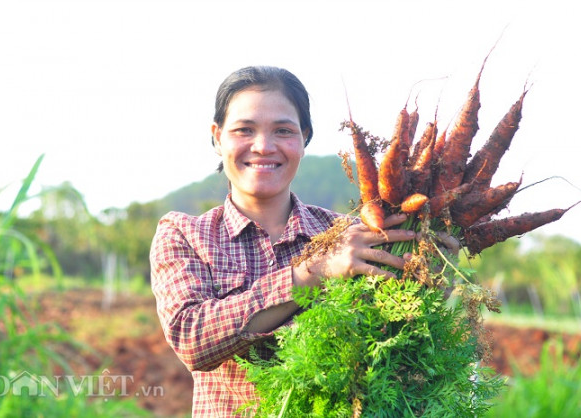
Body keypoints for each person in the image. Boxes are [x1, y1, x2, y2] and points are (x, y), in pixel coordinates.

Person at [149, 66, 416, 417]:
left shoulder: (352, 236)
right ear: (217, 137)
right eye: (244, 130)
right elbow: (192, 338)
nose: (263, 146)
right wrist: (315, 271)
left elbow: (398, 345)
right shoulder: (184, 234)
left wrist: (431, 277)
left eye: (283, 131)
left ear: (304, 137)